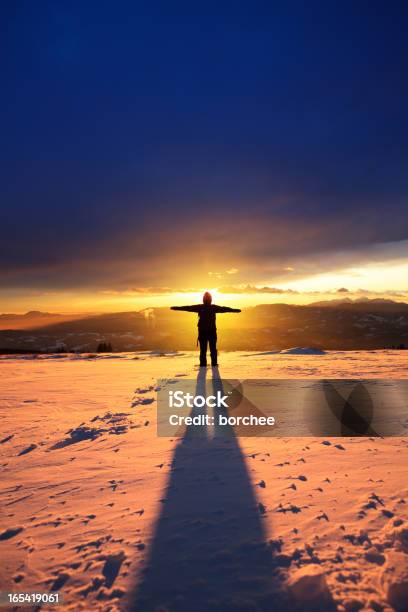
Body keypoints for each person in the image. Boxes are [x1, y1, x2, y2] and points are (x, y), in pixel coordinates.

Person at [171, 292, 241, 366]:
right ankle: (214, 364)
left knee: (203, 350)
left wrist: (176, 308)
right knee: (212, 349)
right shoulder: (213, 307)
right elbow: (224, 309)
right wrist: (235, 310)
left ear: (203, 299)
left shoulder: (200, 307)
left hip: (203, 332)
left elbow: (188, 308)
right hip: (211, 332)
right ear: (211, 299)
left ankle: (203, 365)